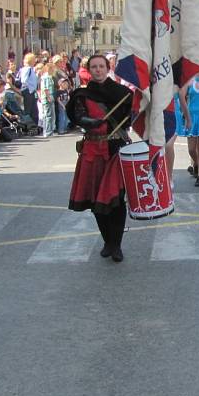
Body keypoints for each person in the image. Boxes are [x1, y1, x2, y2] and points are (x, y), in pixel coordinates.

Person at [67, 54, 133, 262]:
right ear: (89, 69)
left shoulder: (123, 93)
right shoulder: (81, 94)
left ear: (107, 68)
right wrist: (89, 122)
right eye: (94, 67)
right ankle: (107, 241)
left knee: (116, 198)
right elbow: (78, 115)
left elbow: (132, 116)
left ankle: (117, 244)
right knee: (95, 199)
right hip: (92, 149)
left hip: (115, 148)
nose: (98, 70)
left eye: (101, 66)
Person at [18, 53, 39, 125]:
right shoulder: (27, 69)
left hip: (32, 91)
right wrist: (30, 89)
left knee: (34, 110)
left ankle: (34, 125)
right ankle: (28, 125)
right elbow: (24, 80)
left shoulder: (31, 69)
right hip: (28, 91)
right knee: (28, 110)